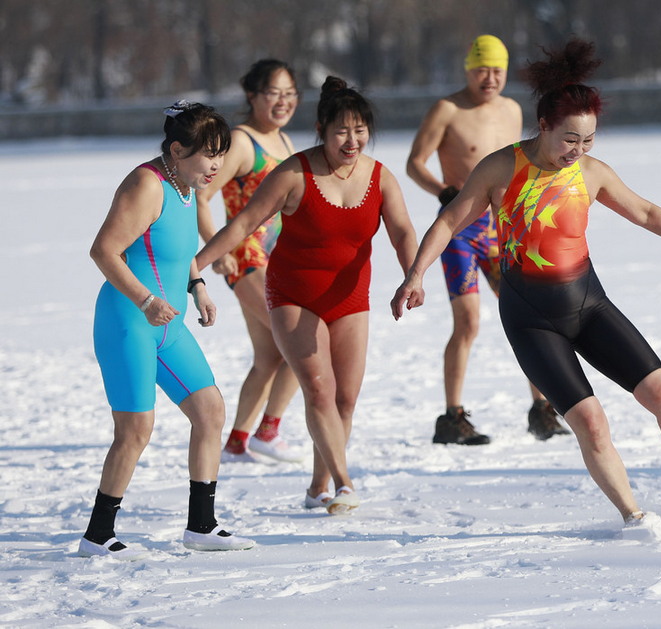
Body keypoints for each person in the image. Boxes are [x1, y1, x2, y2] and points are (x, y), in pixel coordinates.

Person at [391, 39, 661, 528]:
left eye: (588, 141)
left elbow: (645, 212)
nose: (577, 152)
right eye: (569, 140)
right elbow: (450, 221)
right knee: (591, 423)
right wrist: (415, 275)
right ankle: (635, 520)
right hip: (531, 319)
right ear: (542, 126)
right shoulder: (502, 168)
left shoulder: (591, 173)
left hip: (589, 304)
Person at [197, 76, 418, 514]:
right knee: (318, 390)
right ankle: (344, 483)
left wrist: (413, 275)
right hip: (293, 295)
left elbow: (403, 231)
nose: (352, 140)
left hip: (350, 297)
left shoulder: (379, 176)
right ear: (321, 129)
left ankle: (318, 486)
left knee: (345, 399)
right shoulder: (294, 172)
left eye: (359, 131)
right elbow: (243, 225)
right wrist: (196, 265)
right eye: (341, 131)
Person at [81, 101, 255, 559]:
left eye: (222, 152)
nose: (217, 164)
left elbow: (178, 253)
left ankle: (201, 525)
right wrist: (146, 300)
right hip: (128, 322)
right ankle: (97, 535)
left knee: (210, 410)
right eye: (208, 154)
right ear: (177, 150)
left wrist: (197, 286)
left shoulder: (188, 184)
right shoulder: (147, 184)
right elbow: (104, 252)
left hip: (168, 323)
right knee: (136, 429)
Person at [406, 34, 569, 445]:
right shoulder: (448, 109)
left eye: (497, 70)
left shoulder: (512, 110)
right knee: (468, 322)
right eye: (482, 69)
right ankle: (452, 417)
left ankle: (542, 409)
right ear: (468, 69)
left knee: (530, 316)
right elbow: (414, 164)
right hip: (460, 230)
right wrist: (445, 192)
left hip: (505, 230)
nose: (490, 77)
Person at [197, 59, 302, 464]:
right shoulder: (242, 142)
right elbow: (203, 197)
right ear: (252, 96)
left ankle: (238, 441)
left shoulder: (287, 142)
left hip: (279, 259)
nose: (282, 101)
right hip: (246, 259)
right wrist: (217, 249)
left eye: (289, 93)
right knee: (300, 338)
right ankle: (268, 431)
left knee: (270, 356)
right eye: (273, 93)